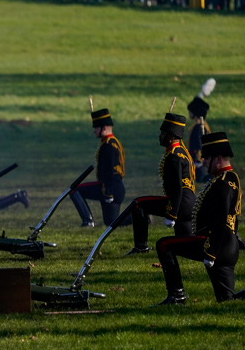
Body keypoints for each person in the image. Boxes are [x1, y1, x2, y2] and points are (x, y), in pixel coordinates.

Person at [153, 132, 245, 305]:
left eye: (206, 158)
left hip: (216, 245)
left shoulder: (222, 182)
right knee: (227, 299)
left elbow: (221, 219)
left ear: (218, 158)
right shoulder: (230, 178)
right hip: (227, 245)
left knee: (164, 245)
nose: (203, 161)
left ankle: (176, 296)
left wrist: (211, 251)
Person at [125, 113, 196, 255]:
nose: (160, 136)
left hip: (179, 203)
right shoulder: (182, 151)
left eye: (163, 133)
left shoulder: (173, 156)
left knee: (138, 204)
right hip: (189, 203)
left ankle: (140, 247)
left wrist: (171, 214)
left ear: (171, 137)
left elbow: (176, 189)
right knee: (186, 246)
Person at [71, 107, 125, 227]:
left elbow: (109, 170)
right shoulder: (114, 142)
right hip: (117, 188)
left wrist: (108, 192)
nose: (94, 131)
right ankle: (144, 218)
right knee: (111, 222)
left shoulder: (108, 145)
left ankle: (88, 221)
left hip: (108, 188)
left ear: (104, 128)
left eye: (96, 128)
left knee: (75, 190)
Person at [186, 95, 211, 176]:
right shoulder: (198, 123)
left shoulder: (198, 126)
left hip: (198, 160)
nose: (189, 113)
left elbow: (198, 145)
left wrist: (198, 161)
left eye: (190, 111)